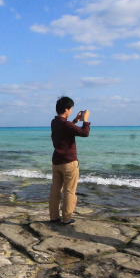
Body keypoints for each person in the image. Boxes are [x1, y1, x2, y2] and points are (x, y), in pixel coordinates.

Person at [49, 96, 90, 225]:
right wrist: (85, 120)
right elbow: (84, 133)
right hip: (69, 163)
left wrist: (75, 120)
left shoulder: (55, 122)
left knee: (55, 190)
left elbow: (67, 128)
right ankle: (66, 218)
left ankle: (54, 217)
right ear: (66, 109)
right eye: (71, 109)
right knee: (69, 191)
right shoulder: (65, 124)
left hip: (57, 162)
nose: (71, 111)